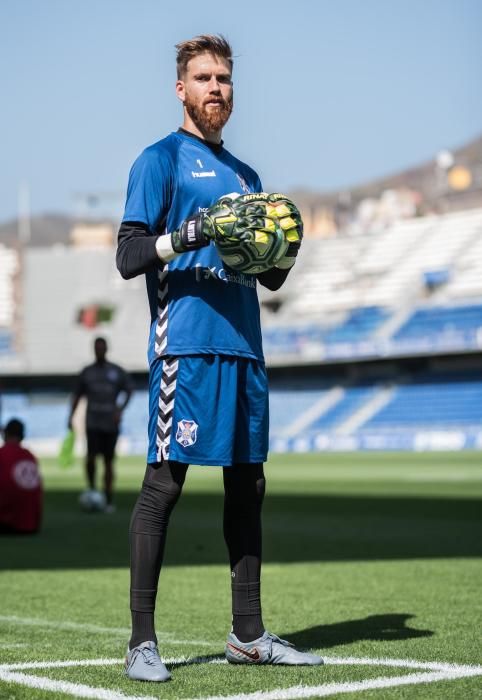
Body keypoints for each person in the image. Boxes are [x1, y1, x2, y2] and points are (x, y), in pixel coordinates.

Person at [116, 34, 322, 682]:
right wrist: (190, 234)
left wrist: (285, 244)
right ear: (181, 88)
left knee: (248, 486)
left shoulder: (248, 178)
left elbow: (271, 282)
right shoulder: (160, 160)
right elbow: (128, 256)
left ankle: (249, 636)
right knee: (164, 485)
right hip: (186, 346)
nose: (216, 89)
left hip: (244, 349)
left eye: (224, 79)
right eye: (204, 78)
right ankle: (141, 644)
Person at [68, 336, 133, 512]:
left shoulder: (116, 371)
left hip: (110, 423)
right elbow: (77, 396)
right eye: (96, 348)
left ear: (106, 349)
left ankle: (109, 497)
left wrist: (120, 409)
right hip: (93, 422)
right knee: (90, 458)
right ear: (93, 349)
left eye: (102, 347)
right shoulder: (87, 372)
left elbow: (129, 390)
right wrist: (70, 417)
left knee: (108, 461)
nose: (99, 350)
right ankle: (91, 489)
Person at [0, 418, 42, 534]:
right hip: (31, 526)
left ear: (5, 434)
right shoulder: (30, 456)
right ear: (22, 436)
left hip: (6, 524)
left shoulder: (2, 454)